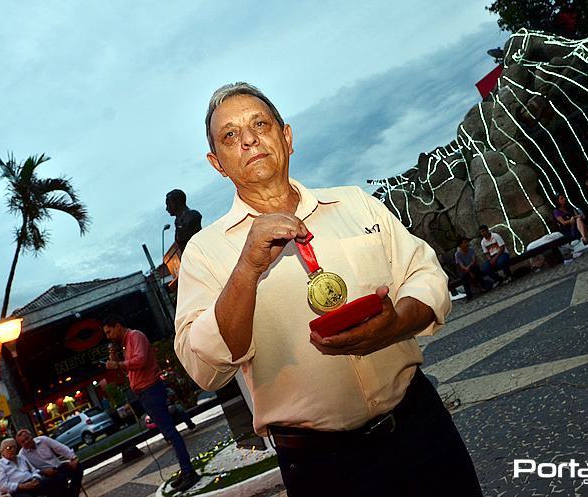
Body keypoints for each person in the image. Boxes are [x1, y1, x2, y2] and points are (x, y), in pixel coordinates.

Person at [173, 82, 481, 497]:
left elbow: (424, 276)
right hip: (323, 467)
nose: (248, 139)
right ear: (217, 163)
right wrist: (246, 269)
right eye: (230, 135)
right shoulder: (205, 252)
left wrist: (395, 326)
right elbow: (204, 368)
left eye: (260, 124)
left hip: (419, 427)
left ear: (287, 136)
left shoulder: (355, 203)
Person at [103, 315, 200, 492]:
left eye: (109, 331)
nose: (108, 336)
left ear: (117, 325)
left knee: (170, 431)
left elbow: (140, 361)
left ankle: (189, 472)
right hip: (144, 391)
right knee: (167, 431)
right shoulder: (126, 343)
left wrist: (118, 364)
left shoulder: (135, 336)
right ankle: (185, 469)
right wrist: (116, 358)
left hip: (151, 389)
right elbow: (130, 367)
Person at [16, 429, 82, 497]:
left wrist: (73, 457)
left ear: (31, 436)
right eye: (23, 442)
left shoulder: (43, 440)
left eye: (27, 438)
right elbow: (29, 472)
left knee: (78, 466)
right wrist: (43, 472)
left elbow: (60, 448)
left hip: (59, 466)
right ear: (20, 444)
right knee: (59, 480)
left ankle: (72, 494)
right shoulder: (22, 455)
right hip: (46, 476)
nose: (26, 442)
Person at [0, 438, 66, 497]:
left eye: (14, 447)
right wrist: (22, 486)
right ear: (2, 452)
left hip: (31, 482)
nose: (12, 450)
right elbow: (2, 486)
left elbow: (33, 470)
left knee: (51, 482)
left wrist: (35, 478)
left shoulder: (21, 458)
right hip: (17, 490)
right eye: (9, 448)